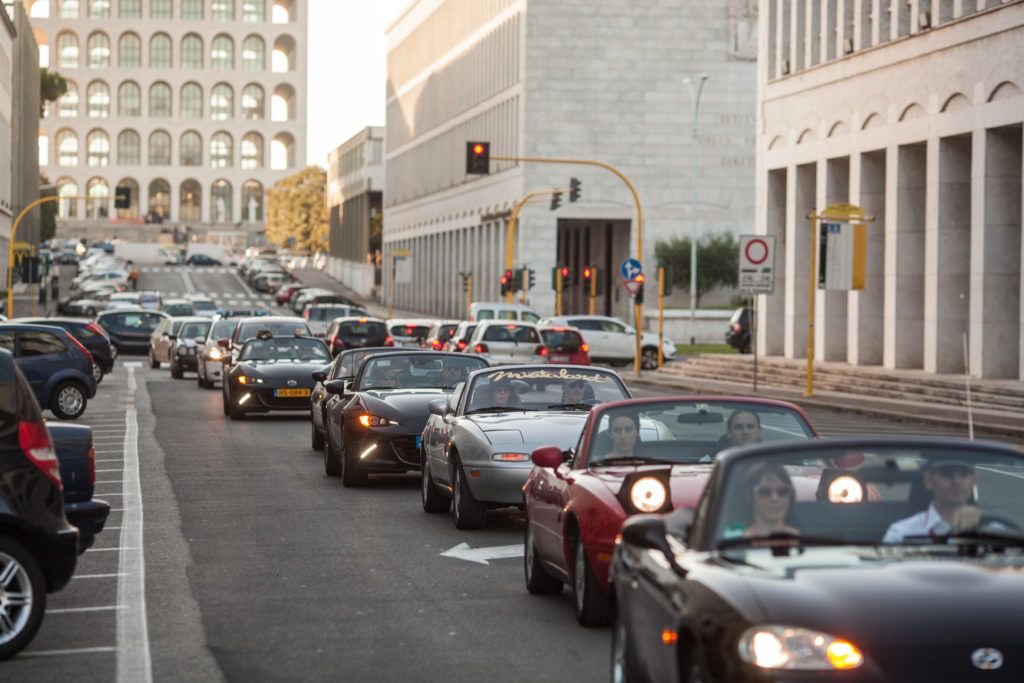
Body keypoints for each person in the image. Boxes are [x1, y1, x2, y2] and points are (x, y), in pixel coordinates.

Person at [883, 459, 987, 543]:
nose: (956, 481)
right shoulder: (901, 533)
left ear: (974, 480)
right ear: (929, 480)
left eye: (963, 474)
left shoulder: (991, 531)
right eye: (947, 473)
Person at [726, 462, 798, 538]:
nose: (774, 498)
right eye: (764, 492)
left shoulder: (801, 540)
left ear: (791, 496)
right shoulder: (740, 544)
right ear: (751, 496)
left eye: (782, 491)